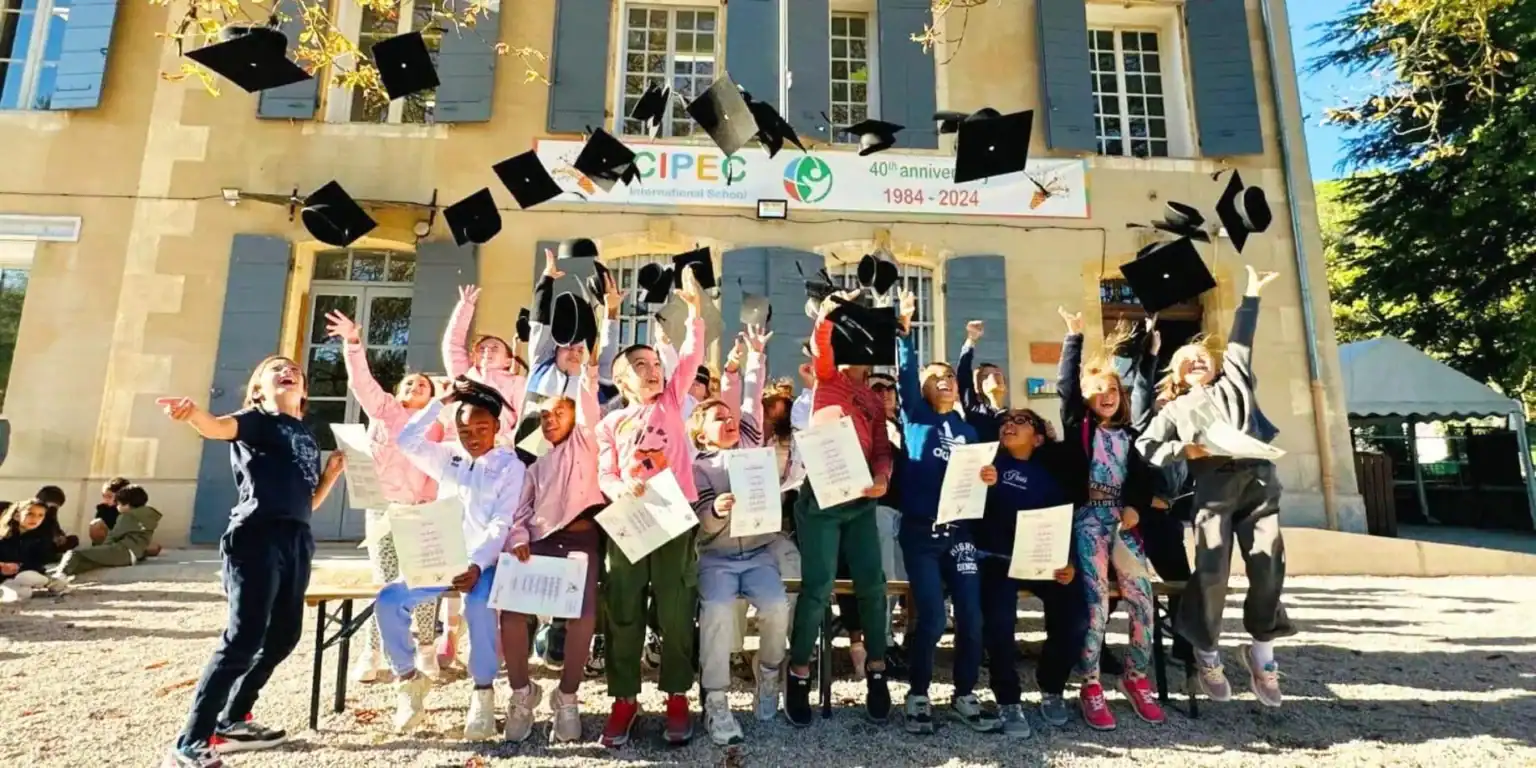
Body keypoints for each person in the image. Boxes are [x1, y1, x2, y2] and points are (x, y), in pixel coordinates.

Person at [156, 356, 347, 768]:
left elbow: (305, 503)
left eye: (293, 368)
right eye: (274, 368)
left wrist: (330, 477)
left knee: (283, 637)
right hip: (255, 536)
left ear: (304, 389)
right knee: (243, 639)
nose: (287, 369)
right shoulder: (256, 419)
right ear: (258, 387)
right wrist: (193, 416)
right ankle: (191, 741)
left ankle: (234, 718)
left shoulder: (305, 434)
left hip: (295, 538)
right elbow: (218, 427)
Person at [1136, 265, 1293, 708]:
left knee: (1268, 566)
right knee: (1211, 572)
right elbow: (1147, 446)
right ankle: (1206, 650)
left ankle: (1263, 652)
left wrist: (1252, 295)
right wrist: (1184, 452)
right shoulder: (1174, 409)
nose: (1197, 362)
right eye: (1187, 362)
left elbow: (1242, 340)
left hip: (1259, 481)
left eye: (1202, 357)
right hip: (1214, 488)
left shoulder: (1236, 380)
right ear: (1179, 374)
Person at [594, 266, 707, 747]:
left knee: (676, 607)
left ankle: (678, 696)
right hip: (628, 519)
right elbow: (603, 471)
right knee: (623, 609)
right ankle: (624, 700)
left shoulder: (672, 400)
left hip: (673, 513)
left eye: (653, 363)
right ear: (622, 381)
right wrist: (616, 488)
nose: (652, 369)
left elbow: (688, 355)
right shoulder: (611, 423)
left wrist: (695, 314)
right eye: (639, 366)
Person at [382, 378, 524, 739]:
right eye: (463, 428)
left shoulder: (510, 465)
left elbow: (501, 522)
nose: (472, 435)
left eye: (481, 427)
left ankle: (483, 692)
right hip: (440, 558)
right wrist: (440, 403)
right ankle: (409, 681)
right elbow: (406, 441)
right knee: (389, 600)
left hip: (483, 565)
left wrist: (476, 564)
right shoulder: (449, 456)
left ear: (496, 426)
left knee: (479, 609)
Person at [889, 290, 1000, 735]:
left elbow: (978, 476)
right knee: (932, 616)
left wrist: (988, 475)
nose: (946, 382)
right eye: (937, 378)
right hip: (921, 532)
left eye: (950, 378)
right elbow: (905, 373)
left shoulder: (969, 428)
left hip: (963, 534)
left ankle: (964, 694)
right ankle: (918, 694)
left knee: (972, 617)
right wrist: (905, 328)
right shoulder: (915, 416)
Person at [785, 291, 895, 728]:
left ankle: (878, 670)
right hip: (822, 500)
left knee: (873, 584)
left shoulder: (871, 398)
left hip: (861, 502)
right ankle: (799, 673)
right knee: (819, 586)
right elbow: (822, 343)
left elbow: (883, 448)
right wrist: (829, 313)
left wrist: (883, 477)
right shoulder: (829, 379)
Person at [1057, 308, 1165, 729]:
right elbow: (1066, 387)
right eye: (1098, 390)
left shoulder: (1131, 435)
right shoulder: (1079, 427)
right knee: (1097, 605)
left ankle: (1136, 678)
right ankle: (1090, 683)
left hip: (1124, 524)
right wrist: (1074, 337)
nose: (1107, 395)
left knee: (1143, 600)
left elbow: (1142, 390)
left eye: (1112, 390)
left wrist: (1150, 353)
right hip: (1088, 522)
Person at [328, 310, 447, 684]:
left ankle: (425, 647)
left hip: (424, 511)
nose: (415, 388)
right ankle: (373, 650)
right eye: (409, 384)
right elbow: (361, 381)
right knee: (386, 582)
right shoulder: (383, 411)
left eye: (423, 386)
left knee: (424, 582)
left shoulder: (440, 424)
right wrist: (352, 342)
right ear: (398, 391)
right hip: (383, 510)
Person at [499, 354, 605, 744]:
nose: (549, 420)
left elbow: (589, 399)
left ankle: (568, 695)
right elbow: (520, 510)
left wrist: (587, 368)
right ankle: (522, 693)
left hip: (581, 539)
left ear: (574, 416)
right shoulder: (532, 457)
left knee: (583, 616)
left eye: (559, 412)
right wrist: (520, 539)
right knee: (511, 614)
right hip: (539, 541)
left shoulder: (586, 440)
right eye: (544, 415)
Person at [690, 326, 789, 746]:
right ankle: (715, 699)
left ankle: (768, 675)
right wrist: (716, 509)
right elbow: (701, 523)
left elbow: (751, 395)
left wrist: (756, 356)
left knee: (776, 606)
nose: (730, 422)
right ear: (700, 433)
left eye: (731, 419)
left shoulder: (753, 451)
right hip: (717, 558)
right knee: (714, 610)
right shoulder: (698, 467)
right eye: (719, 419)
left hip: (760, 553)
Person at [976, 408, 1083, 736]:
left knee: (1074, 612)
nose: (1010, 424)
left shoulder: (1048, 479)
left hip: (1038, 560)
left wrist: (1069, 563)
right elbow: (964, 505)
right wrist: (984, 485)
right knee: (1000, 621)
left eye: (1021, 421)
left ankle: (1051, 687)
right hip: (996, 559)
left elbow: (1061, 524)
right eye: (1006, 420)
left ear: (1037, 438)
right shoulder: (987, 464)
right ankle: (1008, 700)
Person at [444, 285, 527, 438]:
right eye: (482, 349)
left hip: (496, 450)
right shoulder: (465, 376)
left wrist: (506, 443)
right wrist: (465, 307)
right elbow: (453, 344)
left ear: (508, 361)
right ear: (473, 357)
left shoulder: (517, 383)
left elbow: (526, 417)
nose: (487, 350)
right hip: (458, 446)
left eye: (495, 348)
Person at [56, 484, 161, 576]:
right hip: (131, 555)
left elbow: (114, 536)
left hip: (121, 551)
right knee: (87, 562)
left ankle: (58, 576)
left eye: (119, 504)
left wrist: (101, 549)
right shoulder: (147, 516)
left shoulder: (127, 516)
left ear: (127, 505)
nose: (117, 507)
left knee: (75, 553)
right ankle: (61, 575)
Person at [0, 499, 67, 601]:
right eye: (30, 514)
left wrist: (18, 566)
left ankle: (51, 582)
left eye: (41, 515)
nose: (35, 519)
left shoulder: (41, 537)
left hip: (27, 574)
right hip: (4, 578)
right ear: (17, 516)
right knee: (22, 594)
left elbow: (39, 561)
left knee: (25, 577)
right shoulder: (2, 535)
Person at [955, 320, 1009, 443]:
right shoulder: (974, 410)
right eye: (986, 376)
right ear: (977, 389)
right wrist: (971, 340)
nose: (993, 377)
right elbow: (963, 374)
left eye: (997, 374)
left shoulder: (1014, 418)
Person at [34, 485, 78, 562]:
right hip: (38, 545)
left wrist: (60, 536)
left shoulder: (51, 513)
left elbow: (55, 527)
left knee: (73, 539)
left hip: (50, 544)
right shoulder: (34, 511)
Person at [89, 477, 133, 544]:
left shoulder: (129, 511)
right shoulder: (103, 509)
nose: (106, 499)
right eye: (104, 496)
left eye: (109, 496)